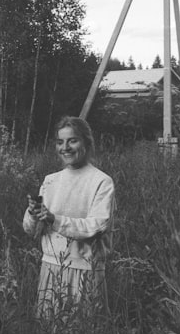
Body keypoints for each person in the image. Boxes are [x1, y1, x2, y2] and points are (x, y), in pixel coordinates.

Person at [23, 116, 115, 317]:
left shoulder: (101, 181)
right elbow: (31, 230)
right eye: (60, 142)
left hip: (86, 270)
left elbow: (96, 226)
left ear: (86, 142)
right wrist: (33, 214)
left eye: (73, 140)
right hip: (50, 268)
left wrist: (53, 219)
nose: (66, 147)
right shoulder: (51, 181)